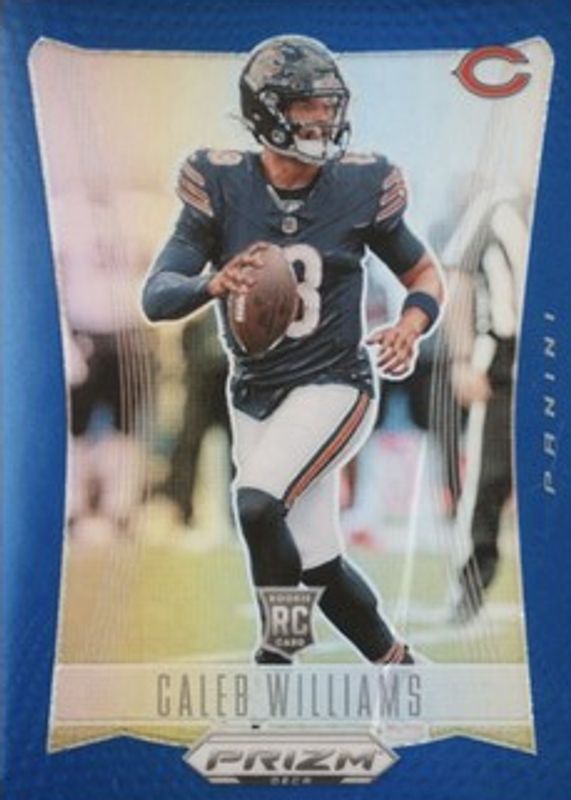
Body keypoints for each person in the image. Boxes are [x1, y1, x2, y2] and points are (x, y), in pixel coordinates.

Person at [142, 35, 444, 663]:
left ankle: (279, 648)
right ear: (267, 111)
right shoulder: (221, 182)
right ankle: (399, 665)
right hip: (253, 391)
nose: (323, 118)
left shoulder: (362, 182)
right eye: (308, 105)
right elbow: (157, 295)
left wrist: (410, 325)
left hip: (335, 382)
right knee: (316, 562)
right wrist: (211, 283)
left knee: (255, 504)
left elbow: (423, 274)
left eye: (329, 104)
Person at [443, 187, 528, 623]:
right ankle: (471, 587)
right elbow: (458, 278)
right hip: (501, 359)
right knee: (490, 477)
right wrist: (461, 358)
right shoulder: (497, 206)